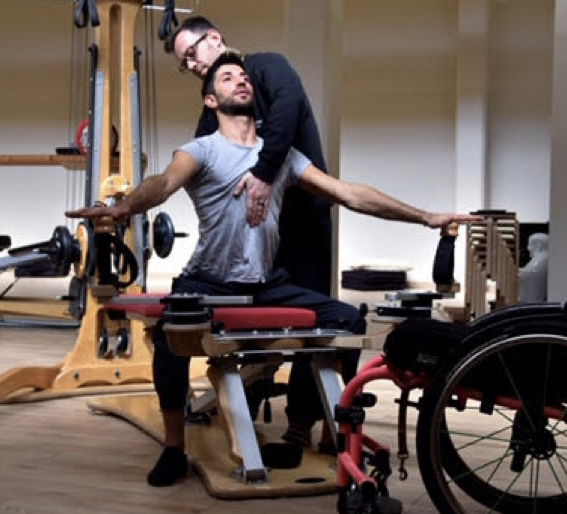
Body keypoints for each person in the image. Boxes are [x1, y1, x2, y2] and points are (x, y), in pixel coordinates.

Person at [67, 52, 480, 487]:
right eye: (227, 78)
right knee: (171, 342)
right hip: (207, 281)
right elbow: (165, 183)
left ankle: (329, 428)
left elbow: (348, 193)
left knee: (346, 320)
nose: (240, 82)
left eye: (243, 77)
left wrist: (426, 217)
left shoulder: (279, 156)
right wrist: (126, 205)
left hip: (266, 284)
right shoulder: (200, 150)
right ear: (211, 100)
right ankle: (174, 447)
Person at [166, 16, 331, 296]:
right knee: (257, 322)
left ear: (215, 39)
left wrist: (263, 174)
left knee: (308, 317)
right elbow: (201, 167)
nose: (192, 66)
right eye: (185, 64)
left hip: (302, 218)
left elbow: (288, 105)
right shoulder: (212, 112)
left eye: (191, 55)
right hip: (255, 234)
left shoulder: (267, 66)